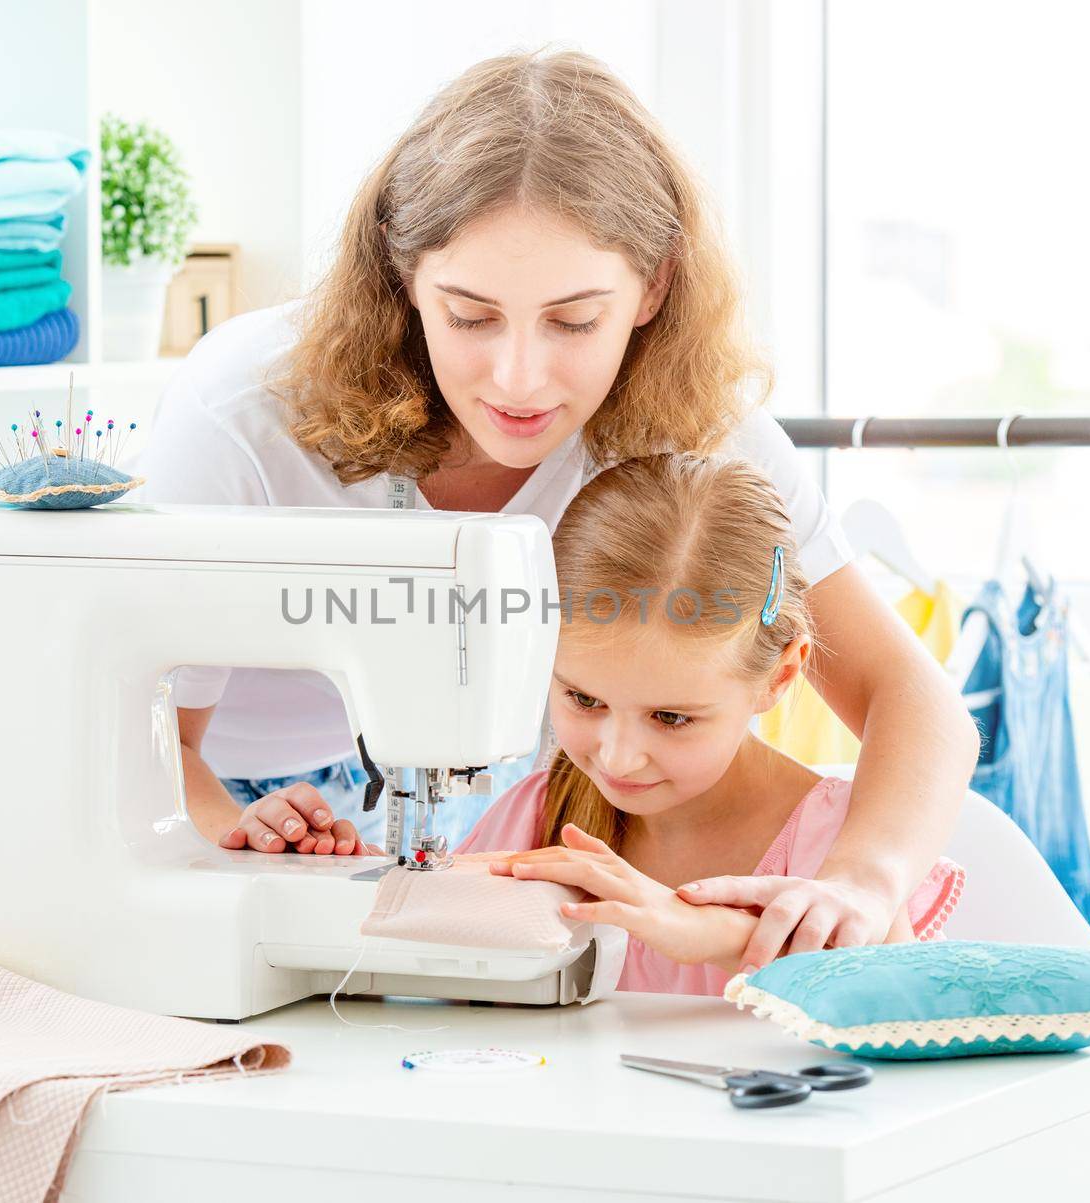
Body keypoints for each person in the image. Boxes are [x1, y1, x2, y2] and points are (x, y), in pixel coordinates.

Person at [134, 49, 979, 958]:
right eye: (470, 315)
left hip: (498, 796)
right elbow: (138, 744)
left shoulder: (695, 427)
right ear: (402, 270)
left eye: (575, 321)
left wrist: (862, 878)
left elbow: (911, 698)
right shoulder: (245, 414)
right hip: (234, 782)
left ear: (655, 285)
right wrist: (248, 847)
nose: (520, 379)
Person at [452, 454, 963, 992]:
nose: (618, 757)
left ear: (780, 674)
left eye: (670, 718)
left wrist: (722, 939)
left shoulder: (837, 849)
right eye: (583, 698)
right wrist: (356, 880)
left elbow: (902, 1015)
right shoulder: (535, 816)